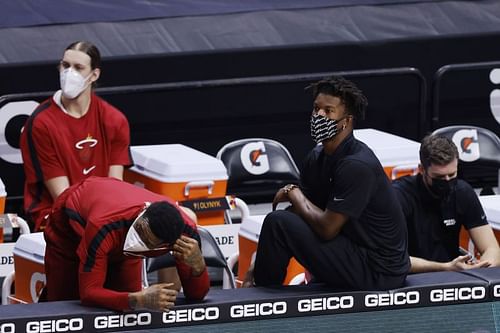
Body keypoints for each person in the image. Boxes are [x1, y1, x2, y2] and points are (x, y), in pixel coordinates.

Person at [246, 76, 410, 290]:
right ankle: (262, 291)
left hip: (380, 270)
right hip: (352, 249)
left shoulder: (357, 165)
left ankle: (262, 296)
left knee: (277, 223)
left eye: (328, 111)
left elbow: (326, 230)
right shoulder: (316, 157)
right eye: (316, 109)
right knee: (280, 222)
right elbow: (299, 213)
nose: (319, 115)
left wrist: (293, 192)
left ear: (346, 121)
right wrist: (258, 260)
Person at [44, 176, 209, 312]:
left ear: (165, 245)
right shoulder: (102, 225)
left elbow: (196, 296)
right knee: (66, 307)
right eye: (139, 229)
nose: (136, 238)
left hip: (121, 240)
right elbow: (88, 292)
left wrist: (198, 267)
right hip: (70, 231)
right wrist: (137, 299)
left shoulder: (186, 236)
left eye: (146, 239)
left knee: (127, 313)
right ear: (144, 213)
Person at [20, 41, 132, 231]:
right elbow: (63, 198)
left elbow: (115, 186)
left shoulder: (114, 120)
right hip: (55, 215)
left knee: (177, 217)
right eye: (65, 65)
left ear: (94, 75)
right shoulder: (41, 123)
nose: (68, 73)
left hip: (102, 212)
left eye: (78, 68)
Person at [392, 134, 500, 273]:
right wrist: (446, 267)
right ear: (422, 169)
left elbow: (492, 248)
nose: (447, 181)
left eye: (452, 175)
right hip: (410, 277)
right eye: (439, 177)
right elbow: (391, 260)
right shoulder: (398, 196)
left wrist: (481, 268)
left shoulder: (462, 192)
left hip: (454, 276)